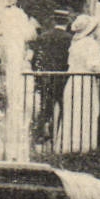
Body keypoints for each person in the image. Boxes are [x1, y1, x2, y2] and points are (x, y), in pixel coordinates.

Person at [57, 13, 100, 152]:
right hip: (85, 82)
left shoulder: (76, 43)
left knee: (72, 114)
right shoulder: (90, 44)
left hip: (73, 81)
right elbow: (94, 66)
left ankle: (69, 147)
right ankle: (84, 148)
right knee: (86, 114)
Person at [30, 8, 72, 148]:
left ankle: (40, 137)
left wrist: (37, 75)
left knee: (45, 107)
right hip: (62, 79)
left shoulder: (43, 36)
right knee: (63, 106)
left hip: (45, 77)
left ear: (54, 20)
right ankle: (57, 137)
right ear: (66, 22)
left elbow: (36, 58)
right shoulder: (69, 38)